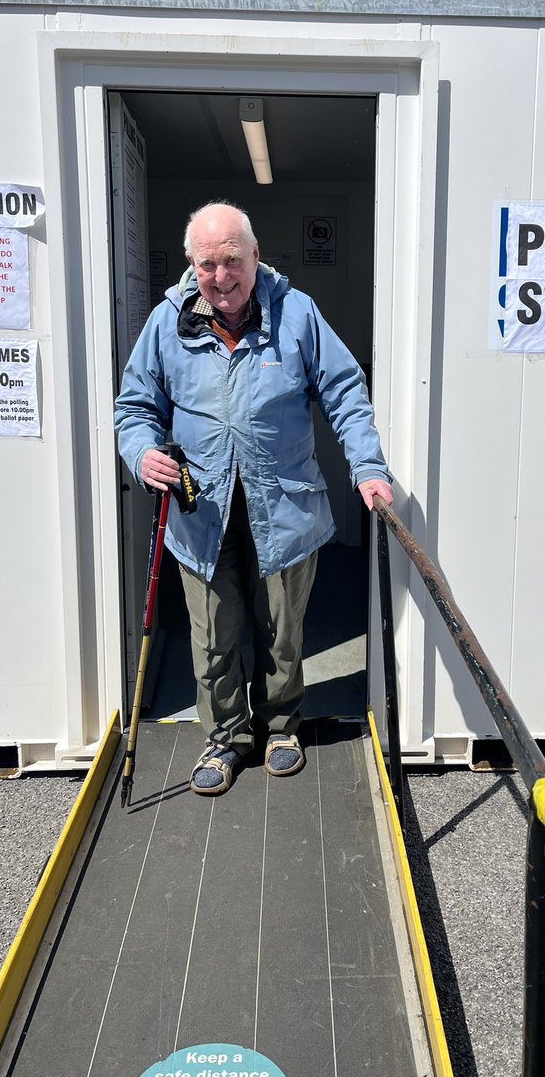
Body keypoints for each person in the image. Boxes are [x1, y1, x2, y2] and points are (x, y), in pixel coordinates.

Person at [115, 202, 393, 795]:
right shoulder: (166, 322)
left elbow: (344, 391)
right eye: (207, 264)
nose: (221, 278)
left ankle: (280, 726)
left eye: (232, 261)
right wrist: (141, 453)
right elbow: (134, 408)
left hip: (283, 509)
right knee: (213, 637)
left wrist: (367, 466)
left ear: (255, 255)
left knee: (281, 632)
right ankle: (225, 738)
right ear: (191, 263)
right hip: (201, 514)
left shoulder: (297, 313)